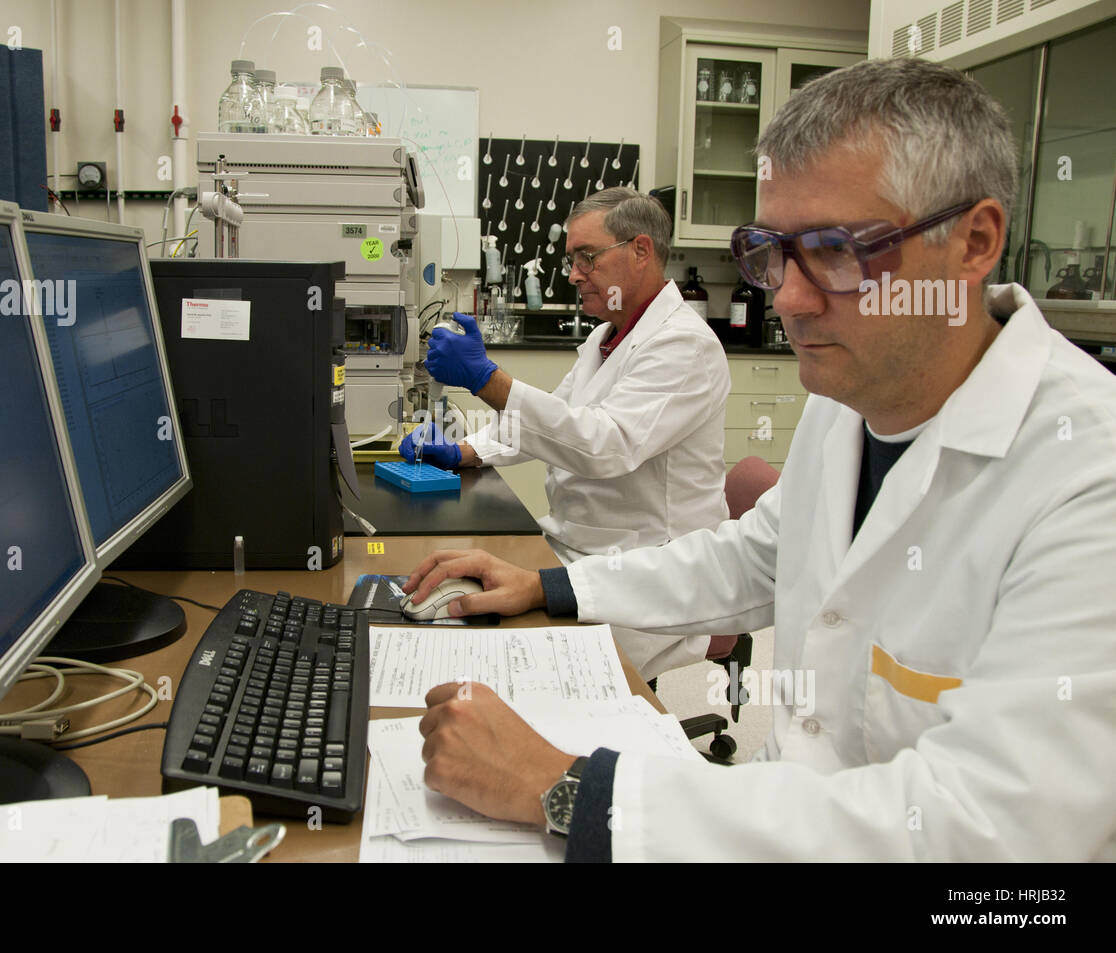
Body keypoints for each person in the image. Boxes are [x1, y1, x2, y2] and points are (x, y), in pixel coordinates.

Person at [406, 57, 1116, 861]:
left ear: (973, 243)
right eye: (772, 250)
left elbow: (989, 831)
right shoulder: (848, 403)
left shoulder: (1087, 473)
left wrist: (575, 791)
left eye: (837, 250)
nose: (786, 297)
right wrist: (549, 584)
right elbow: (750, 557)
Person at [402, 187, 731, 678]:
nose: (575, 274)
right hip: (579, 547)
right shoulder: (607, 335)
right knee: (451, 593)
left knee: (501, 663)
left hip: (644, 574)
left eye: (587, 257)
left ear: (641, 251)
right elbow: (560, 419)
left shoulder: (685, 345)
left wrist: (488, 381)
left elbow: (604, 445)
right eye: (571, 259)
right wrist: (465, 450)